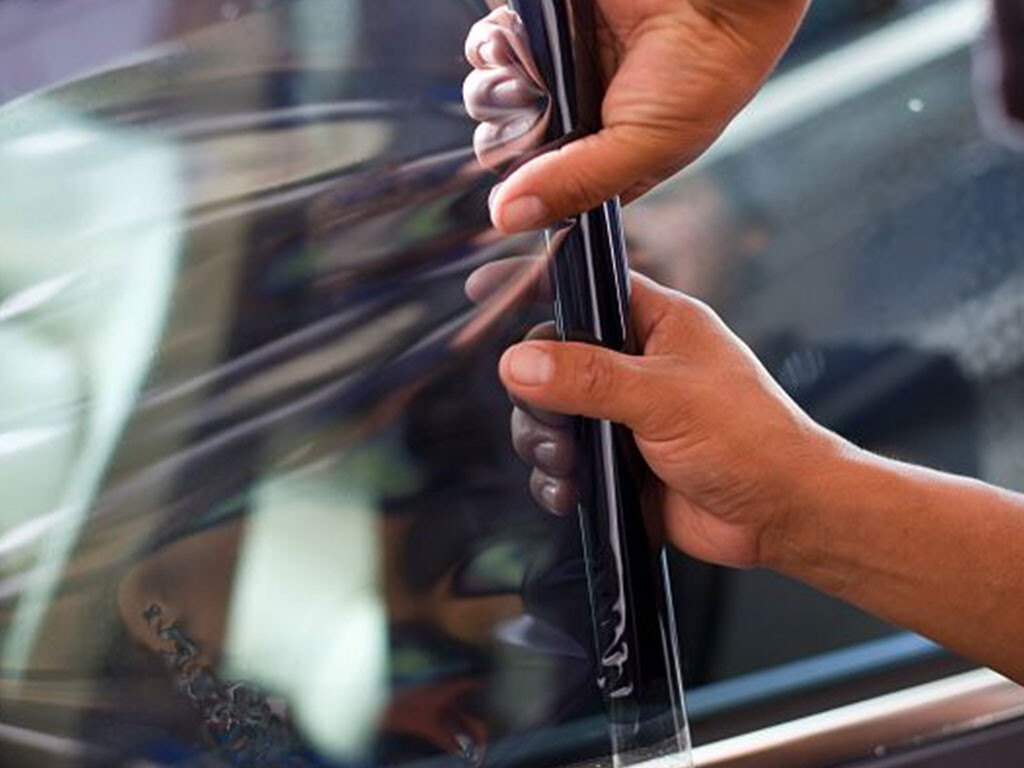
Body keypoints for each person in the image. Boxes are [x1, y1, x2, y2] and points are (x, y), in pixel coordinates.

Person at [468, 0, 1024, 686]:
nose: (633, 228)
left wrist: (801, 504)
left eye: (667, 198)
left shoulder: (890, 381)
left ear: (750, 229)